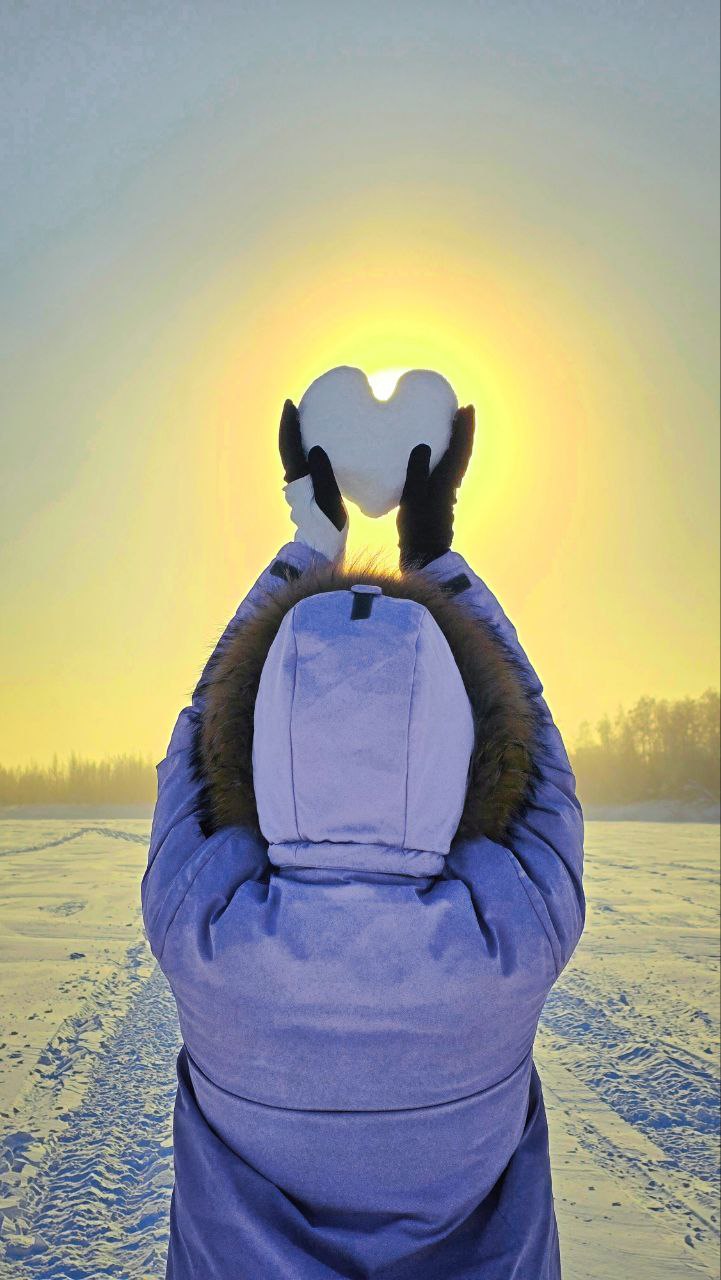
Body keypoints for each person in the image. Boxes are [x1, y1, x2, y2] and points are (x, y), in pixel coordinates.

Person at [141, 398, 585, 1279]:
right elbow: (534, 741)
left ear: (259, 734)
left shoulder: (204, 924)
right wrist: (432, 553)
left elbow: (199, 733)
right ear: (467, 736)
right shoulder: (513, 927)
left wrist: (311, 541)